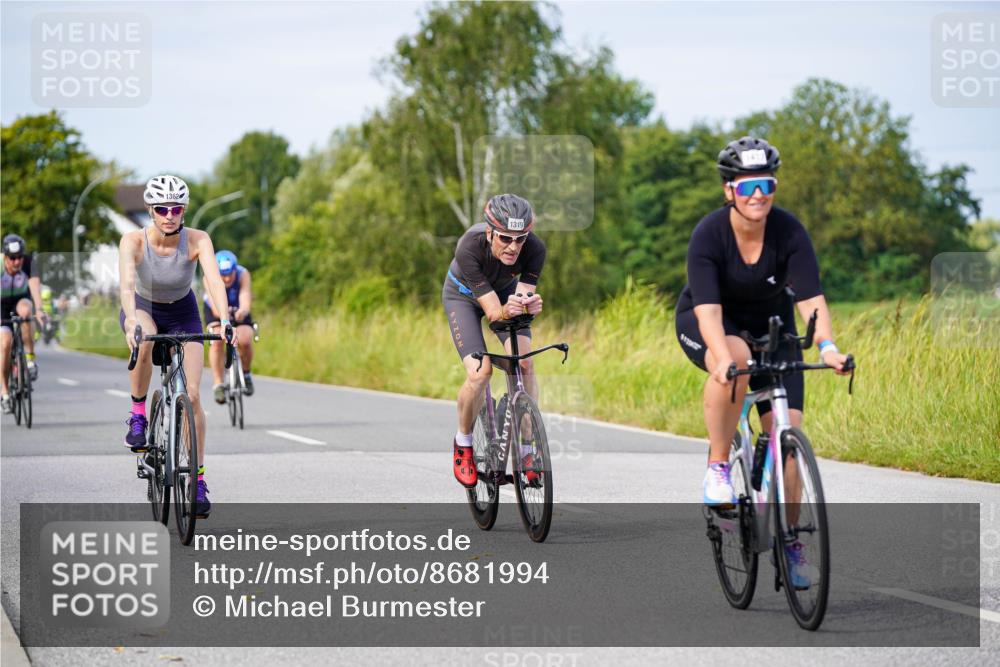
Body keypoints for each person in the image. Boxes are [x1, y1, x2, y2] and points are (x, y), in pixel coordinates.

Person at [674, 137, 851, 585]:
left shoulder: (789, 231)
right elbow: (708, 312)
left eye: (766, 184)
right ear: (729, 191)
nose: (759, 195)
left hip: (774, 328)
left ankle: (791, 543)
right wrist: (718, 356)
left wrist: (827, 347)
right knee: (734, 360)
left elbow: (811, 300)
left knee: (787, 429)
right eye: (748, 186)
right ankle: (718, 467)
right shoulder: (709, 234)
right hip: (712, 321)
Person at [118, 175, 234, 517]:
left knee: (194, 394)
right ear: (151, 211)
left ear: (184, 210)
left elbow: (213, 281)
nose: (170, 215)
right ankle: (138, 416)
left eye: (177, 208)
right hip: (144, 306)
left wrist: (225, 321)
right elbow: (126, 287)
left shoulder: (198, 239)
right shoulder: (133, 240)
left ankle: (197, 482)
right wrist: (132, 321)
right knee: (144, 339)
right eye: (163, 209)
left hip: (184, 310)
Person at [442, 194, 545, 488]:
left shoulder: (535, 249)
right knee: (481, 372)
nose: (514, 247)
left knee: (524, 363)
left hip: (503, 293)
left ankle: (527, 451)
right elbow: (493, 315)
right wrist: (512, 308)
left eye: (520, 239)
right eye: (505, 238)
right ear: (490, 232)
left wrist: (529, 306)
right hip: (463, 297)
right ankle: (463, 443)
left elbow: (522, 298)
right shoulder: (469, 247)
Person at [1, 234, 47, 412]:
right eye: (12, 258)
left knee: (27, 312)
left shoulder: (28, 262)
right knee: (4, 344)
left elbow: (34, 287)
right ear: (6, 256)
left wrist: (40, 310)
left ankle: (29, 359)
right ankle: (4, 392)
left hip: (20, 299)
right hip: (1, 305)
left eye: (19, 256)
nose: (17, 261)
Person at [203, 250, 256, 403]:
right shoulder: (209, 276)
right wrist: (224, 318)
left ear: (235, 270)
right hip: (216, 311)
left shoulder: (243, 274)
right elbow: (214, 307)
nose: (226, 279)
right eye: (223, 275)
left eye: (229, 274)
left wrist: (243, 311)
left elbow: (245, 297)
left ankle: (246, 374)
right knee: (217, 341)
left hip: (237, 308)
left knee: (245, 339)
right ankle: (218, 383)